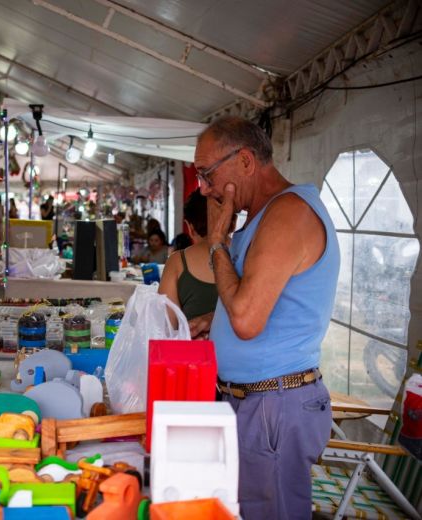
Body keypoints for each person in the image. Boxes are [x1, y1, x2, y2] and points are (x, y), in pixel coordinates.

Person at [190, 117, 338, 519]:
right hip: (258, 402)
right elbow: (259, 300)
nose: (203, 188)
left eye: (206, 174)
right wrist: (212, 318)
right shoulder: (263, 216)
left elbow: (248, 320)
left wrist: (218, 241)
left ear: (244, 161)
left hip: (274, 405)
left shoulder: (288, 214)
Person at [158, 189, 217, 322]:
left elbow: (167, 324)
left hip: (191, 342)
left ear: (189, 227)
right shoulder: (245, 255)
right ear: (232, 222)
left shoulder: (177, 261)